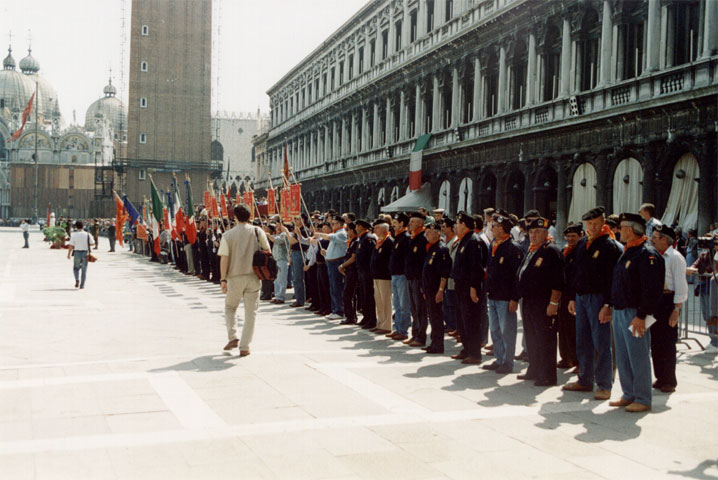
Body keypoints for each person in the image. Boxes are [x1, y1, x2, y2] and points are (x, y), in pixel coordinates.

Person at [564, 206, 622, 400]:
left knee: (602, 343)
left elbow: (612, 279)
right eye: (589, 223)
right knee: (583, 341)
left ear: (603, 223)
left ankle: (605, 384)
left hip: (599, 299)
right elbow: (575, 272)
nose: (593, 226)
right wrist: (572, 297)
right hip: (581, 297)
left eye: (596, 223)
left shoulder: (609, 246)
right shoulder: (582, 243)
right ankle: (585, 379)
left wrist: (608, 304)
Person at [608, 213, 664, 412]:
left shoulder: (647, 254)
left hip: (635, 313)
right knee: (623, 355)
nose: (619, 230)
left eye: (622, 227)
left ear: (630, 230)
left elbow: (652, 290)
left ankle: (642, 397)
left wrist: (642, 316)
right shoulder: (629, 251)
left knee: (638, 355)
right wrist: (609, 305)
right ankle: (629, 393)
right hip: (621, 310)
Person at [516, 217, 564, 386]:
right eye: (531, 232)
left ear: (546, 233)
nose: (534, 235)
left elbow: (558, 280)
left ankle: (548, 375)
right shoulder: (532, 250)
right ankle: (534, 369)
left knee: (545, 339)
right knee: (531, 337)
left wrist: (553, 303)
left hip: (543, 302)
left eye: (538, 232)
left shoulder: (551, 251)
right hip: (529, 301)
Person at [218, 204, 270, 357]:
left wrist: (223, 279)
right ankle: (245, 346)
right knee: (250, 313)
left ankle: (233, 336)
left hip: (234, 277)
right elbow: (267, 250)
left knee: (230, 307)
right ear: (250, 215)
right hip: (253, 276)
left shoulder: (228, 235)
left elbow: (224, 259)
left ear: (235, 217)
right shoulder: (257, 231)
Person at [649, 224, 688, 393]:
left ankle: (669, 380)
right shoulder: (654, 256)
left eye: (655, 238)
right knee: (656, 342)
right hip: (656, 300)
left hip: (668, 300)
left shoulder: (675, 258)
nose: (652, 240)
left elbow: (681, 286)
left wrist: (676, 309)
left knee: (668, 342)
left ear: (664, 240)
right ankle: (659, 377)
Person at [483, 213, 523, 373]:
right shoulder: (495, 245)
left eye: (494, 226)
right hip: (493, 295)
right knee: (495, 330)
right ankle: (499, 358)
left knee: (507, 331)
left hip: (505, 297)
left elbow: (517, 276)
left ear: (502, 229)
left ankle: (507, 361)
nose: (491, 229)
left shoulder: (513, 248)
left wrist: (514, 298)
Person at [422, 223, 452, 354]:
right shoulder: (431, 248)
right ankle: (434, 342)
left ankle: (438, 344)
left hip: (436, 290)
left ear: (438, 233)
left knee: (437, 317)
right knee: (432, 317)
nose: (426, 235)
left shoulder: (441, 249)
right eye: (426, 232)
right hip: (428, 289)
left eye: (429, 232)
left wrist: (440, 290)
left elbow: (444, 273)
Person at [557, 223, 582, 369]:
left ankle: (577, 360)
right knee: (563, 328)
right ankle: (566, 358)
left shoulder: (580, 251)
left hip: (574, 295)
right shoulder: (564, 251)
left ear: (580, 236)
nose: (570, 239)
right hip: (563, 294)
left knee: (574, 330)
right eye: (568, 236)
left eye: (573, 236)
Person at [314, 216, 347, 320]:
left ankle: (339, 310)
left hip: (336, 263)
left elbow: (330, 237)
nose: (332, 225)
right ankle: (335, 309)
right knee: (333, 287)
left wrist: (319, 234)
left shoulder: (341, 233)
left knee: (337, 287)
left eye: (334, 223)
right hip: (331, 262)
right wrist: (326, 253)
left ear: (340, 224)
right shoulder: (336, 233)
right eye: (332, 223)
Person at [405, 212, 429, 347]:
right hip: (410, 277)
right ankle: (414, 333)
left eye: (413, 222)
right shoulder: (413, 238)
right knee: (414, 309)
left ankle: (421, 336)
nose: (410, 224)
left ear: (420, 224)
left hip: (418, 279)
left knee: (420, 309)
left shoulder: (423, 239)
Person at [387, 213, 412, 341]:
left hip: (402, 275)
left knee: (403, 305)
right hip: (395, 274)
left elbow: (407, 259)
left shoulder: (406, 238)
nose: (393, 225)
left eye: (395, 222)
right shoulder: (398, 237)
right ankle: (397, 328)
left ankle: (403, 330)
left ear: (402, 223)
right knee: (396, 304)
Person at [370, 221, 394, 334]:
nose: (374, 230)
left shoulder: (389, 241)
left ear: (384, 229)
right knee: (379, 301)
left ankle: (387, 325)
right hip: (377, 275)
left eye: (377, 228)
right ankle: (380, 323)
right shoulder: (379, 241)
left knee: (386, 302)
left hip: (385, 276)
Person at [355, 219, 377, 329]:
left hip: (367, 271)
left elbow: (371, 255)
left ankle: (371, 319)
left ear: (361, 227)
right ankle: (366, 316)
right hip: (362, 271)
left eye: (357, 226)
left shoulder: (368, 238)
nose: (356, 228)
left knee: (368, 296)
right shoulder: (362, 238)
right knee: (363, 295)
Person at [339, 223, 359, 325]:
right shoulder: (351, 242)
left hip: (353, 271)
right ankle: (350, 315)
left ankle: (350, 316)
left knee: (348, 294)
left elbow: (353, 257)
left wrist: (343, 265)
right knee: (348, 294)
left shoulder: (355, 242)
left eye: (348, 230)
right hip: (349, 270)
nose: (347, 232)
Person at [67, 220, 95, 289]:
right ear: (83, 226)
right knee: (84, 269)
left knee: (76, 268)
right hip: (85, 253)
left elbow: (71, 245)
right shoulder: (88, 234)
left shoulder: (74, 234)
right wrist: (85, 243)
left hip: (77, 252)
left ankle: (77, 279)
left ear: (76, 227)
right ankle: (82, 285)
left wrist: (69, 254)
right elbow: (93, 243)